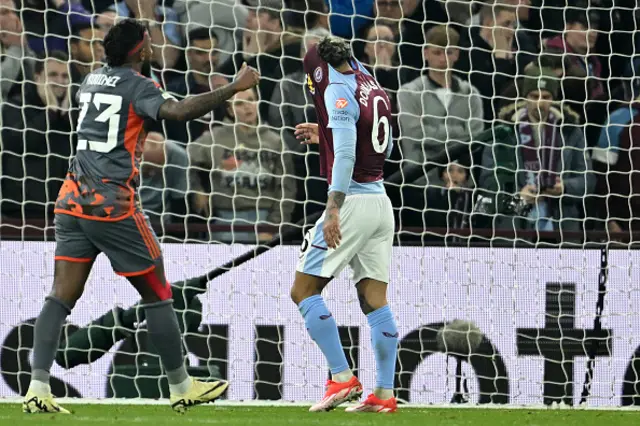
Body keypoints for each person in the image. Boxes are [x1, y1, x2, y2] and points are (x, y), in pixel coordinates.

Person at [22, 18, 259, 414]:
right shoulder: (138, 86)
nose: (152, 46)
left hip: (70, 201)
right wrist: (233, 87)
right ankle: (182, 385)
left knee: (60, 296)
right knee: (158, 294)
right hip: (112, 207)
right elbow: (179, 112)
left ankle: (37, 388)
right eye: (148, 42)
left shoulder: (91, 81)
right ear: (140, 50)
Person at [291, 36, 398, 413]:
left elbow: (350, 151)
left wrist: (333, 209)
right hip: (380, 202)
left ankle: (341, 376)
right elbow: (367, 131)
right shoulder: (366, 78)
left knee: (303, 290)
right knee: (374, 300)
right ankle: (384, 395)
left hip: (351, 201)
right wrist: (324, 135)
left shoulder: (335, 89)